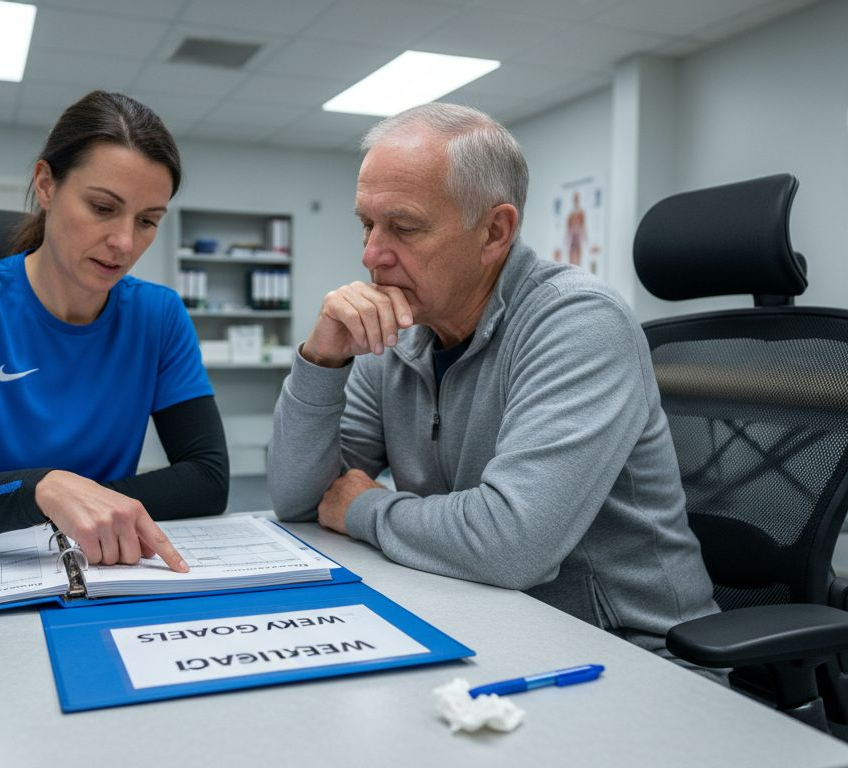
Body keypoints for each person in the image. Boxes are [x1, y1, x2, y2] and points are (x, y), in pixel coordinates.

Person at [268, 103, 719, 666]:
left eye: (403, 227)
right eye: (367, 223)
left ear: (495, 231)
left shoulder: (578, 321)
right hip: (477, 613)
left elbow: (512, 544)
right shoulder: (401, 331)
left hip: (622, 649)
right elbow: (295, 498)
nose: (371, 256)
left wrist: (364, 507)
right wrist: (322, 359)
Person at [0, 91, 228, 571]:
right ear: (46, 185)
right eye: (101, 207)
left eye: (146, 221)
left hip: (100, 564)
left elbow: (208, 479)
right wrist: (42, 491)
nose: (123, 242)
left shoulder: (159, 316)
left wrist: (83, 506)